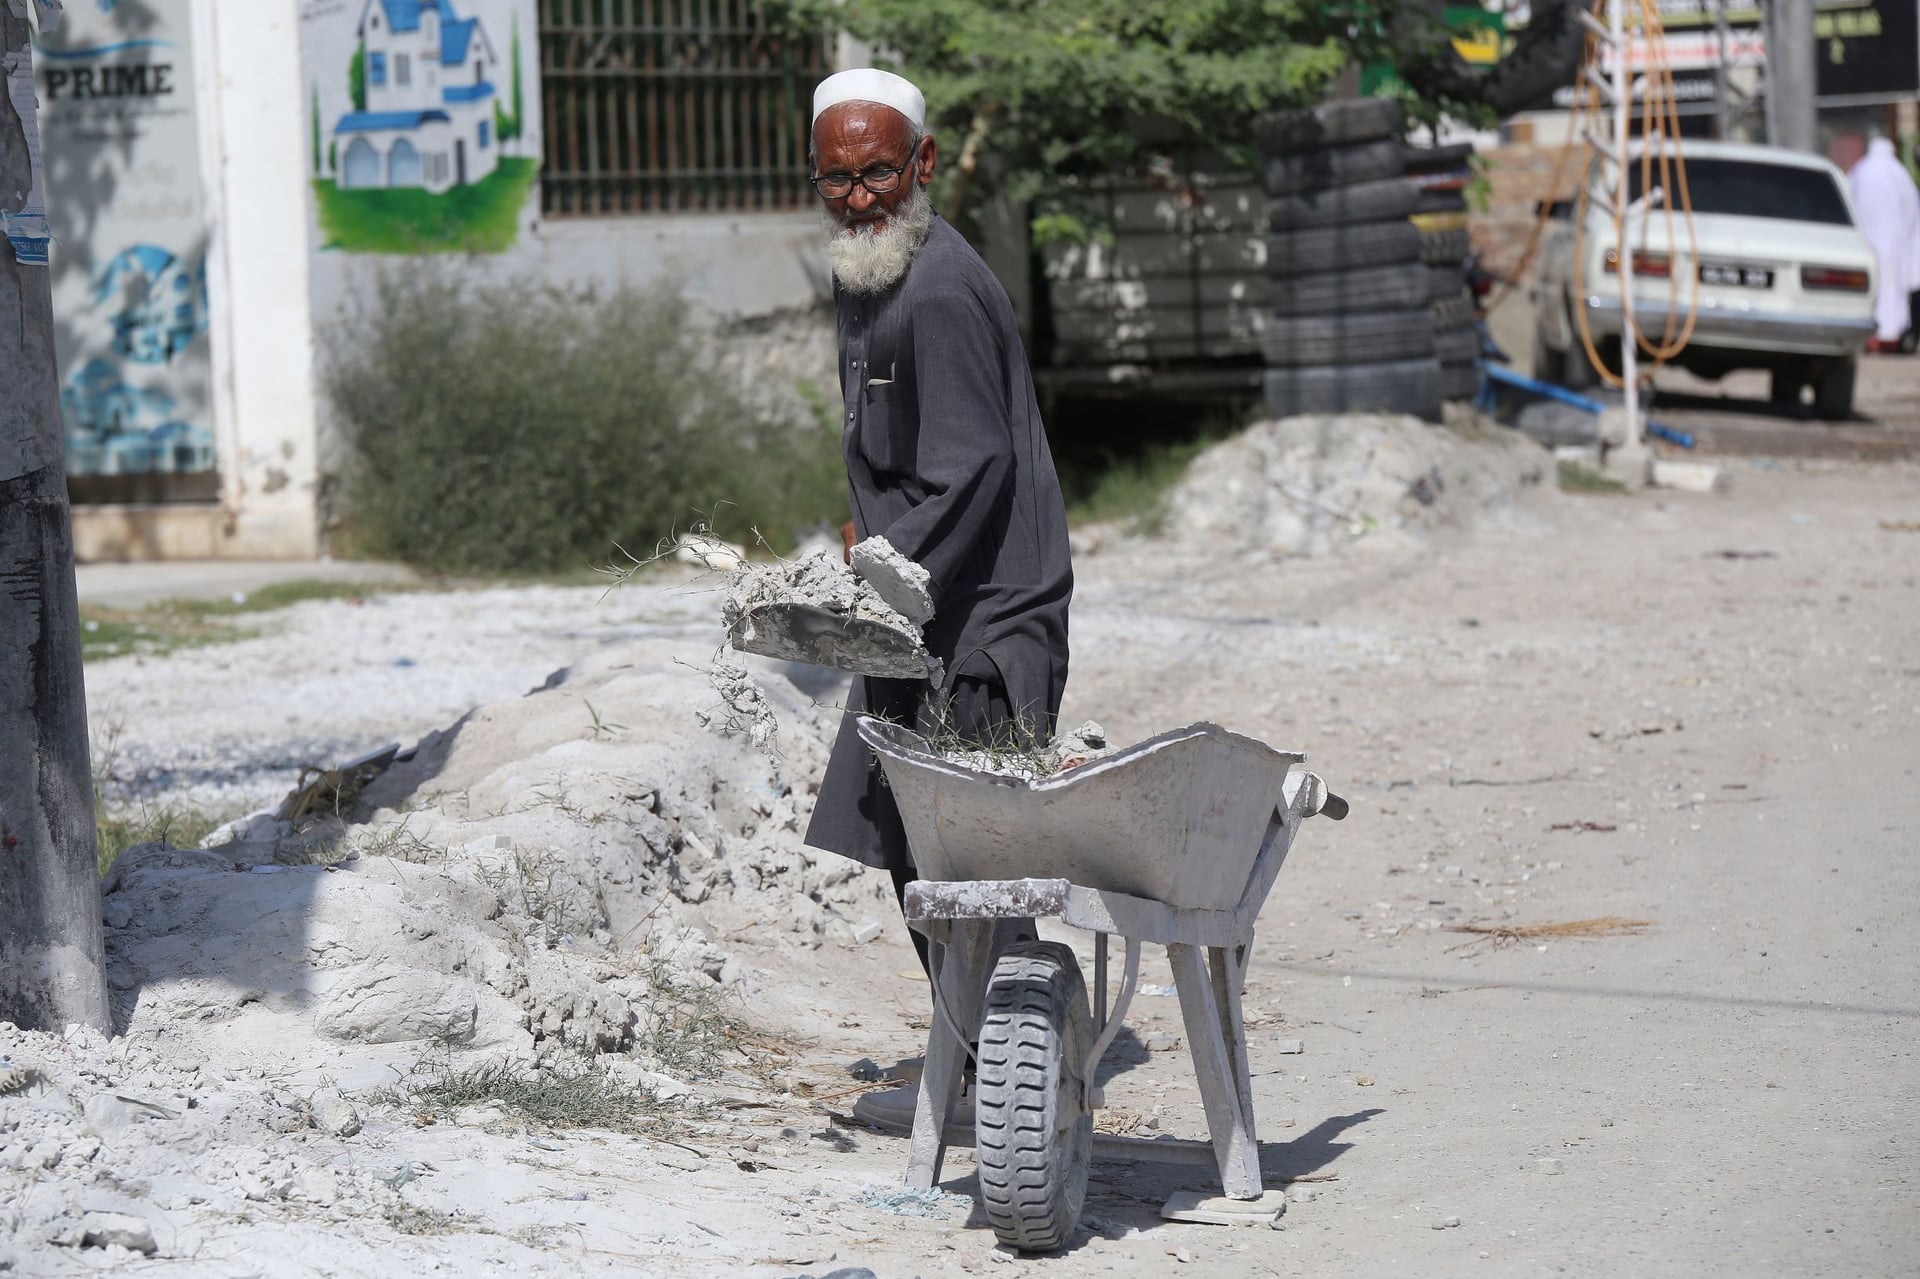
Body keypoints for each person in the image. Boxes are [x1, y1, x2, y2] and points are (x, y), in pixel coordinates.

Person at [798, 68, 1075, 1125]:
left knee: (973, 868)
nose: (859, 198)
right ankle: (979, 1070)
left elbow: (972, 469)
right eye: (836, 180)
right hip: (920, 613)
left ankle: (1021, 1090)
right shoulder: (870, 271)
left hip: (981, 623)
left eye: (878, 173)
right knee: (913, 846)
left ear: (922, 162)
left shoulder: (942, 287)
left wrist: (871, 573)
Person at [1845, 134, 1920, 352]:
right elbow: (1912, 210)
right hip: (1894, 245)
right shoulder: (1899, 173)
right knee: (1891, 289)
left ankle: (1869, 336)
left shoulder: (1859, 170)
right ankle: (1890, 335)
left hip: (1863, 243)